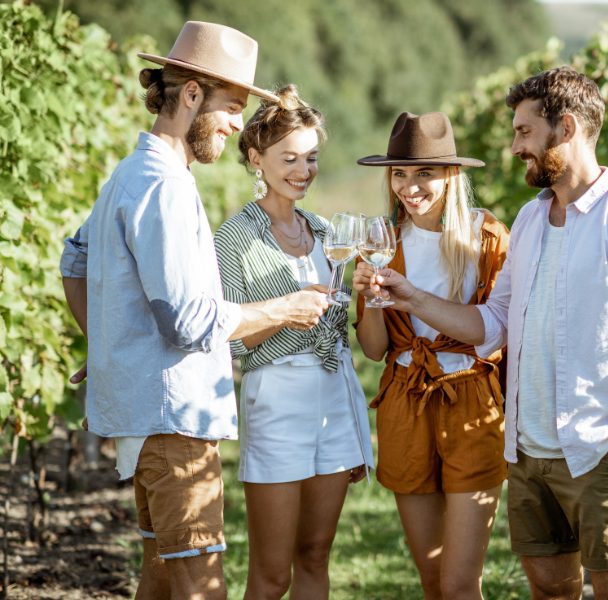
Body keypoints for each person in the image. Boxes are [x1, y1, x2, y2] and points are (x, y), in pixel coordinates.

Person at [362, 68, 608, 599]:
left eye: (524, 132)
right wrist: (410, 296)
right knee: (550, 589)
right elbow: (491, 325)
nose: (515, 147)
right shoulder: (531, 222)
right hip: (528, 449)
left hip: (596, 449)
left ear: (567, 128)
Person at [59, 22, 330, 600]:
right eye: (232, 107)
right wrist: (283, 309)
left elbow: (74, 258)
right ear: (190, 95)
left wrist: (103, 344)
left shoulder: (131, 174)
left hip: (149, 419)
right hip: (174, 421)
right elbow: (189, 323)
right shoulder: (166, 187)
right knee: (200, 586)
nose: (236, 125)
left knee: (160, 582)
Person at [212, 84, 374, 600]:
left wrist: (365, 292)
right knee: (271, 574)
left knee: (315, 556)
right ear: (256, 158)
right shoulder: (233, 238)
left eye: (311, 158)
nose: (303, 171)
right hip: (276, 402)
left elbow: (351, 330)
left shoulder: (329, 232)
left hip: (333, 394)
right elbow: (231, 338)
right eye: (290, 159)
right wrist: (285, 315)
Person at [352, 111, 509, 600]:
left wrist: (413, 297)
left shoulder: (486, 239)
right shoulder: (381, 241)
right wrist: (370, 299)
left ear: (451, 175)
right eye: (400, 173)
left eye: (424, 173)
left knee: (460, 584)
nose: (409, 186)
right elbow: (375, 349)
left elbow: (496, 335)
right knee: (432, 583)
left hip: (471, 403)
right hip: (406, 399)